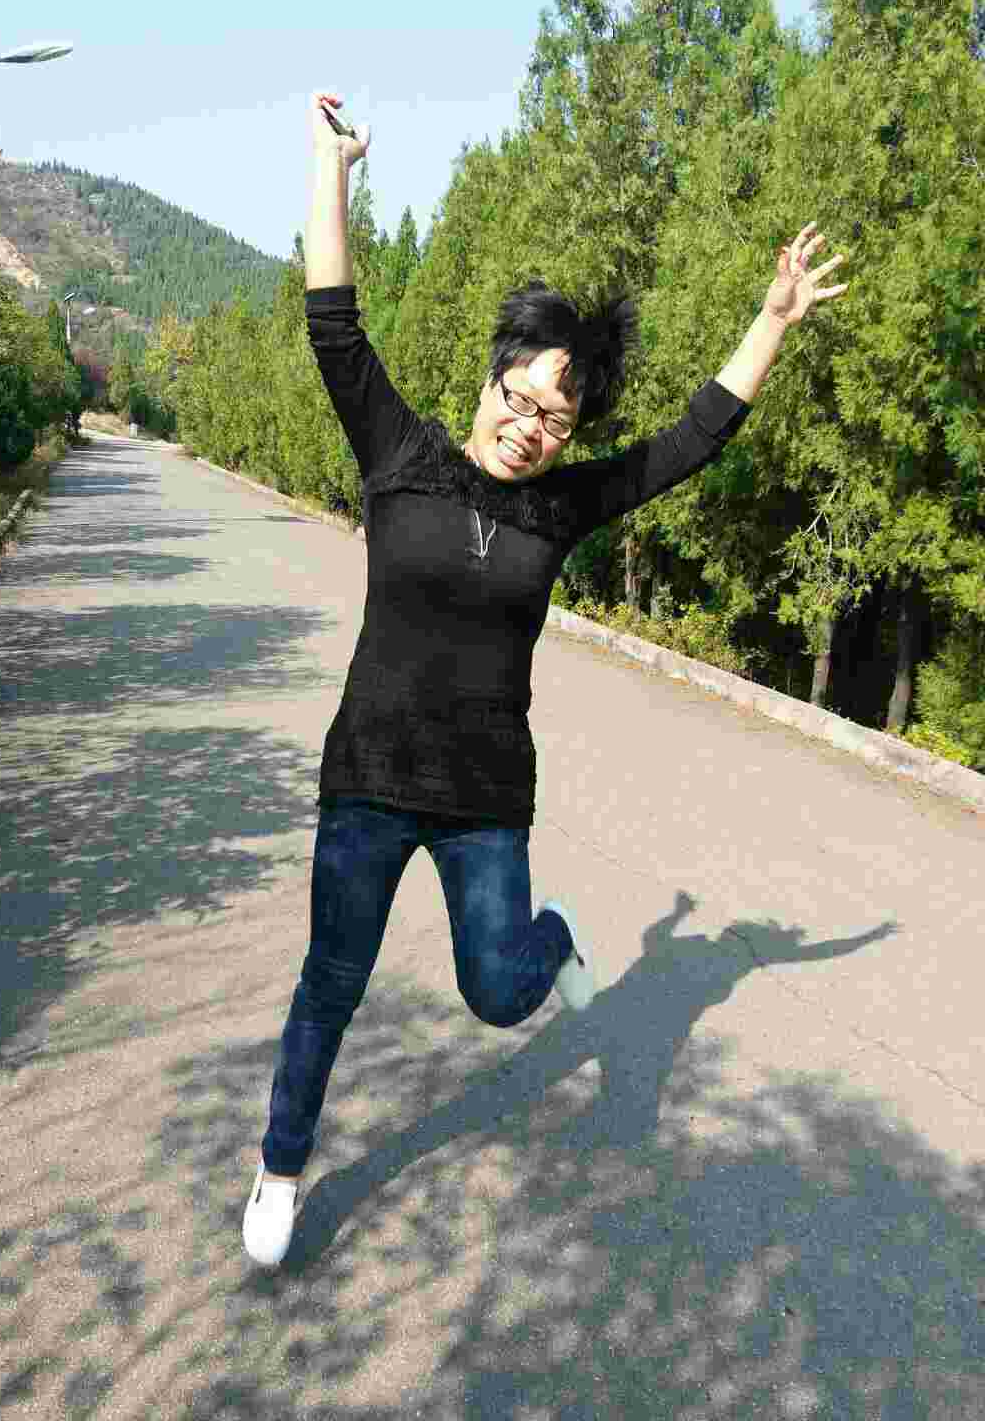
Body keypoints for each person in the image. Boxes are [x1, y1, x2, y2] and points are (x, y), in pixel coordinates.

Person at [243, 90, 849, 1267]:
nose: (529, 426)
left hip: (484, 799)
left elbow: (691, 440)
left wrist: (771, 319)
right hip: (368, 780)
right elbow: (333, 320)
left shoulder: (561, 508)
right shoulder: (400, 456)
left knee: (496, 991)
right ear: (492, 380)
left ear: (570, 432)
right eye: (519, 399)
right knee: (331, 983)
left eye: (555, 418)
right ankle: (280, 1168)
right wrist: (334, 170)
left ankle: (552, 940)